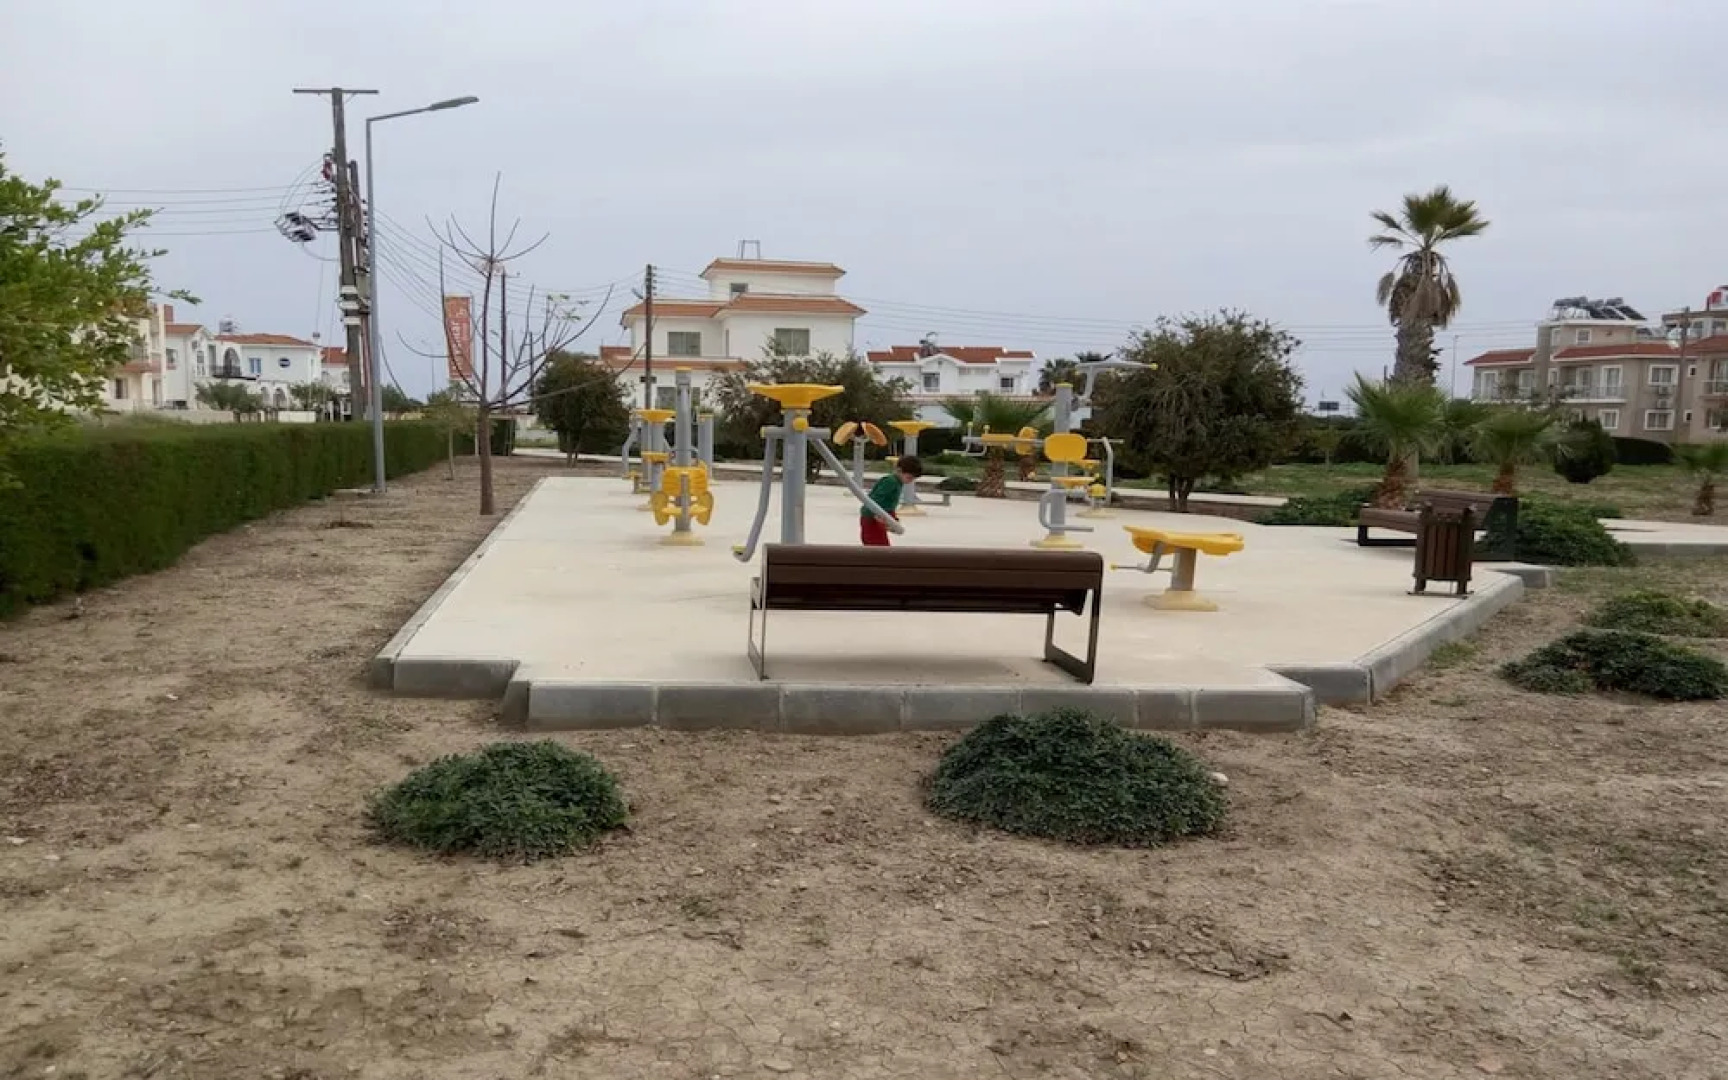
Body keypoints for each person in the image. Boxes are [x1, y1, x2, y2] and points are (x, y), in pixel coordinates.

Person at [860, 455, 923, 547]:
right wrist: (878, 514)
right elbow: (876, 499)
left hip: (880, 515)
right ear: (899, 471)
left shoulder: (897, 482)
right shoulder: (890, 481)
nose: (910, 481)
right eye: (909, 477)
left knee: (880, 545)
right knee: (877, 545)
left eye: (913, 479)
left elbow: (889, 503)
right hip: (872, 517)